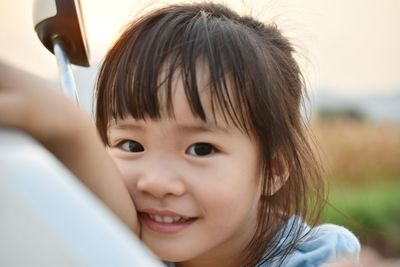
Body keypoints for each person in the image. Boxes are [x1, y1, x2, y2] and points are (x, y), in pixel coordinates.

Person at [0, 2, 360, 266]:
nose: (155, 183)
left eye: (201, 149)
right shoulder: (135, 236)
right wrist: (66, 127)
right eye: (131, 145)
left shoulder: (317, 260)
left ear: (274, 169)